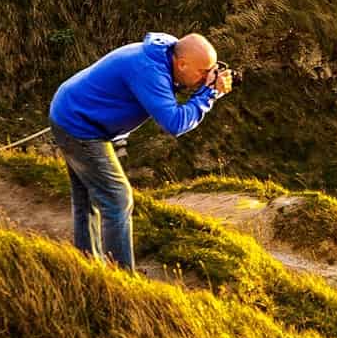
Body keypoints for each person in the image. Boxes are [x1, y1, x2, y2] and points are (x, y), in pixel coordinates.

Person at [47, 32, 233, 271]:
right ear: (182, 63)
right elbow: (174, 123)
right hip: (79, 126)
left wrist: (201, 87)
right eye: (203, 71)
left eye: (211, 70)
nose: (208, 76)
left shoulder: (166, 56)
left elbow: (174, 89)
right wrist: (209, 95)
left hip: (72, 111)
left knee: (88, 197)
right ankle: (122, 275)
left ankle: (88, 263)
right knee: (117, 199)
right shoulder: (149, 71)